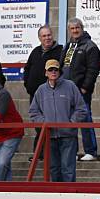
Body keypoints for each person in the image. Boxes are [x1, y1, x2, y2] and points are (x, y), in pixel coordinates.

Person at [29, 59, 88, 182]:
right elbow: (33, 112)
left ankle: (70, 197)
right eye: (50, 70)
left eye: (56, 69)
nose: (53, 72)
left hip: (68, 136)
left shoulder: (70, 86)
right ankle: (56, 197)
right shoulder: (40, 90)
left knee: (68, 169)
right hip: (49, 136)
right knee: (53, 169)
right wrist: (44, 123)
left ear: (60, 71)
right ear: (46, 73)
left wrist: (71, 123)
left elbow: (81, 108)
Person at [59, 17, 100, 161]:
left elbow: (93, 69)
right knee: (70, 121)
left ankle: (91, 151)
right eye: (72, 28)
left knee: (85, 118)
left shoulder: (90, 46)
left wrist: (85, 87)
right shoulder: (68, 45)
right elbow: (61, 66)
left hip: (81, 90)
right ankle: (73, 152)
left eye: (77, 28)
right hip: (65, 90)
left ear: (82, 28)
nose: (75, 31)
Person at [23, 26, 63, 156]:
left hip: (52, 94)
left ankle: (44, 153)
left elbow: (63, 71)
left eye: (49, 35)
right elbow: (27, 70)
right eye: (44, 36)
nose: (47, 38)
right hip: (35, 95)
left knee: (51, 124)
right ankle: (39, 153)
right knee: (38, 124)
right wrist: (28, 86)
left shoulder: (60, 51)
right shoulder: (35, 52)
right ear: (39, 38)